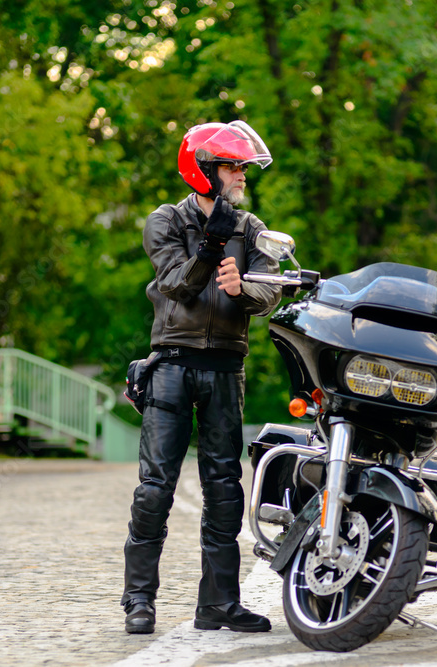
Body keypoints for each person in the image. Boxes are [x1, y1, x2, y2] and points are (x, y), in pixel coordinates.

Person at [121, 120, 283, 635]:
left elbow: (271, 291)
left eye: (241, 166)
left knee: (225, 489)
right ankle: (138, 601)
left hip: (225, 369)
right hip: (171, 363)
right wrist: (211, 251)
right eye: (232, 165)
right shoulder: (165, 220)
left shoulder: (251, 228)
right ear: (203, 170)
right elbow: (175, 285)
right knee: (154, 490)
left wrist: (242, 291)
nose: (240, 174)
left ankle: (218, 605)